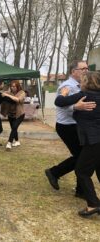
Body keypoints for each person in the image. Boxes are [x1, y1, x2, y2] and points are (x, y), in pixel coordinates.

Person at [44, 60, 95, 198]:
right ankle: (55, 172)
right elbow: (61, 106)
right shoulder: (67, 86)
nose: (86, 70)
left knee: (82, 157)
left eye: (87, 68)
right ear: (74, 72)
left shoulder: (83, 86)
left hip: (77, 125)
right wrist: (75, 107)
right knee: (81, 157)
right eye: (83, 68)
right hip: (67, 126)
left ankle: (80, 189)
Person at [54, 71, 100, 217]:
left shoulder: (84, 95)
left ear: (87, 82)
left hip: (93, 141)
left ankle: (93, 204)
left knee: (81, 171)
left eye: (83, 80)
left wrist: (64, 93)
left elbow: (59, 102)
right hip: (96, 139)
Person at [0, 80, 26, 150]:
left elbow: (18, 100)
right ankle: (17, 141)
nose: (12, 88)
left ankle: (9, 143)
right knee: (13, 129)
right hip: (11, 114)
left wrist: (7, 95)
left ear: (17, 86)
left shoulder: (22, 92)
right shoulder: (9, 92)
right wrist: (4, 93)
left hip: (20, 114)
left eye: (14, 86)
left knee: (14, 127)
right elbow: (2, 94)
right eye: (11, 86)